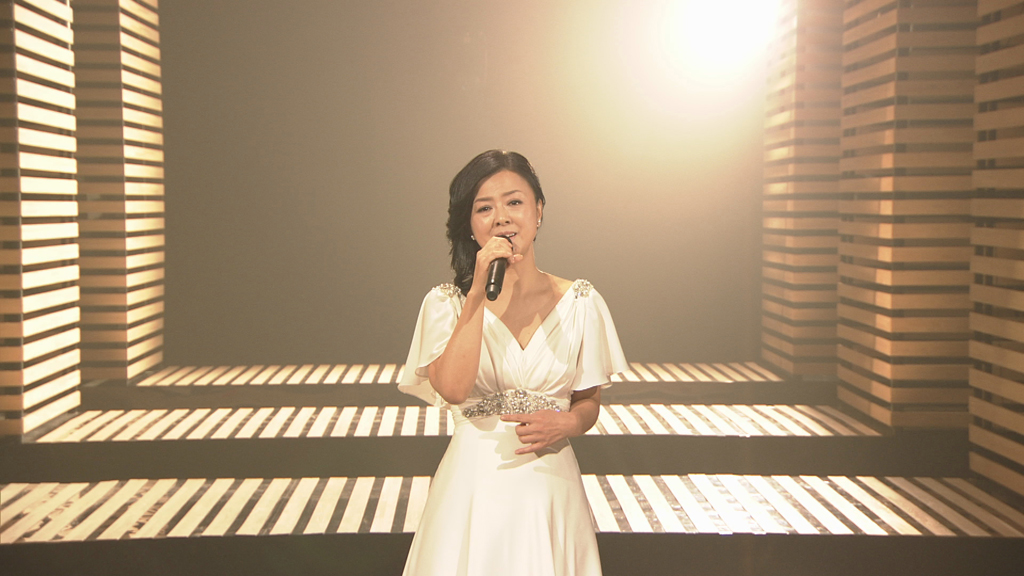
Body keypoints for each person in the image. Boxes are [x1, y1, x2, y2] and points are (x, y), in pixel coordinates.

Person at [398, 150, 629, 576]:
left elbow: (588, 400)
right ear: (469, 225)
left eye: (514, 202)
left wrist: (568, 423)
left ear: (539, 211)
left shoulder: (581, 302)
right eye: (484, 208)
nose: (501, 218)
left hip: (550, 486)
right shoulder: (446, 305)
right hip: (471, 489)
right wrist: (475, 295)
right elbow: (453, 390)